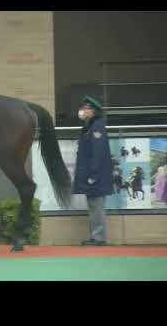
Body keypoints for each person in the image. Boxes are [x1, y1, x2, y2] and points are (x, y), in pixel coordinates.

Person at [73, 95, 114, 246]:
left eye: (86, 108)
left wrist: (93, 174)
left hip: (96, 176)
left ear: (94, 111)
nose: (83, 110)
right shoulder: (88, 127)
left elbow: (98, 152)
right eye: (83, 107)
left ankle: (99, 238)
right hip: (91, 175)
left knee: (96, 207)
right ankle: (95, 236)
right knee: (93, 206)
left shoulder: (97, 126)